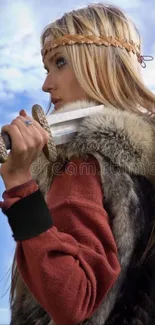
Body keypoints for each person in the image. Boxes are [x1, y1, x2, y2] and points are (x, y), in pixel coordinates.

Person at [0, 3, 155, 325]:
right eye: (46, 68)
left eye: (60, 62)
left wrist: (19, 183)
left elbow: (72, 301)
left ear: (99, 63)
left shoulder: (84, 161)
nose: (46, 84)